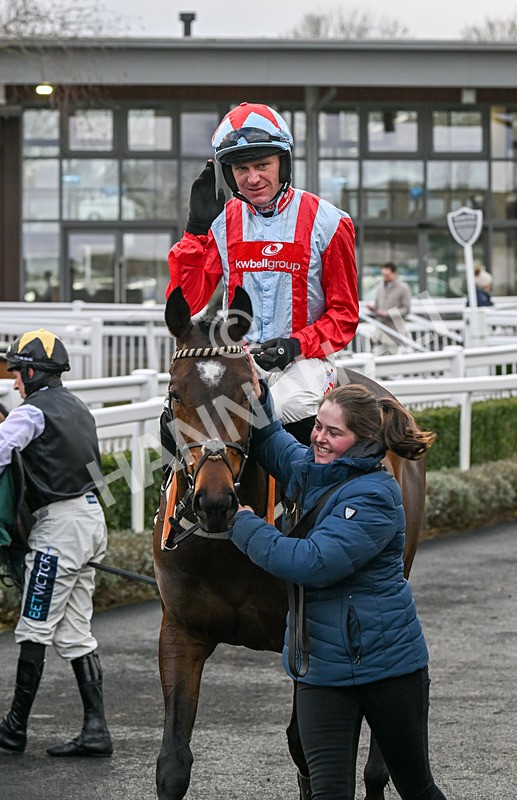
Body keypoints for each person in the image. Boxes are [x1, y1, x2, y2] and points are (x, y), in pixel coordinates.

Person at [229, 374, 448, 800]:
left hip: (390, 672)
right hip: (322, 672)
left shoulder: (377, 496)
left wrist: (241, 523)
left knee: (416, 788)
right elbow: (276, 443)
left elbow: (312, 563)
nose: (319, 439)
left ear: (363, 440)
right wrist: (259, 399)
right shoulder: (317, 470)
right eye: (317, 426)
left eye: (333, 432)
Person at [166, 101, 358, 445]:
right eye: (241, 168)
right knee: (177, 415)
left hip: (304, 360)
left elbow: (344, 317)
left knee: (285, 408)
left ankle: (305, 496)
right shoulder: (220, 225)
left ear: (283, 163)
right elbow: (188, 301)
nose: (253, 178)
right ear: (229, 174)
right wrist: (195, 232)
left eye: (262, 164)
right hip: (237, 357)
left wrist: (295, 345)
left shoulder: (330, 222)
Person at [0, 329, 112, 757]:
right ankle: (96, 731)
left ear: (34, 371)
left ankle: (15, 727)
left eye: (17, 371)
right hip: (91, 519)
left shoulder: (29, 414)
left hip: (59, 529)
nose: (14, 381)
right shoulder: (79, 407)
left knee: (33, 627)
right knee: (76, 632)